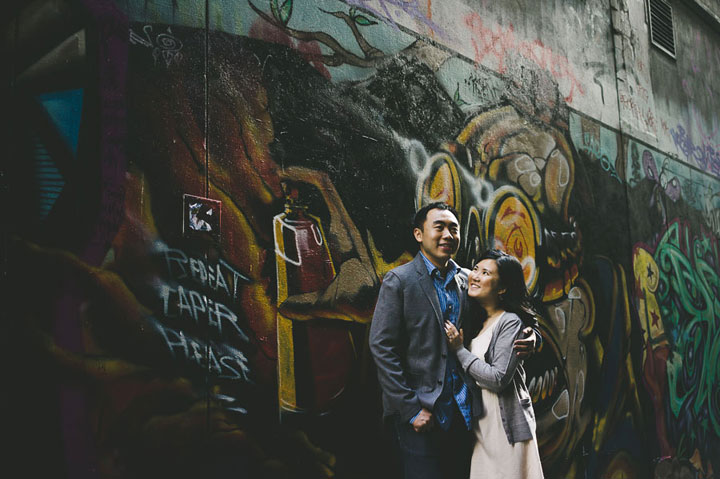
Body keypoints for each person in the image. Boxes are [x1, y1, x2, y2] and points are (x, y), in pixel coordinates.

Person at [369, 203, 538, 479]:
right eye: (439, 227)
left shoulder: (468, 280)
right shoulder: (399, 281)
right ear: (418, 234)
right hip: (421, 416)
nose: (448, 234)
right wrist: (411, 409)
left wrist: (533, 336)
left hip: (466, 417)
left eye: (454, 229)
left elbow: (511, 310)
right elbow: (381, 347)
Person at [444, 248, 544, 478]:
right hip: (482, 428)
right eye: (476, 269)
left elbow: (498, 379)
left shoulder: (509, 321)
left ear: (502, 288)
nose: (476, 276)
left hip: (504, 428)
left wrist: (459, 350)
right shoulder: (478, 318)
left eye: (486, 273)